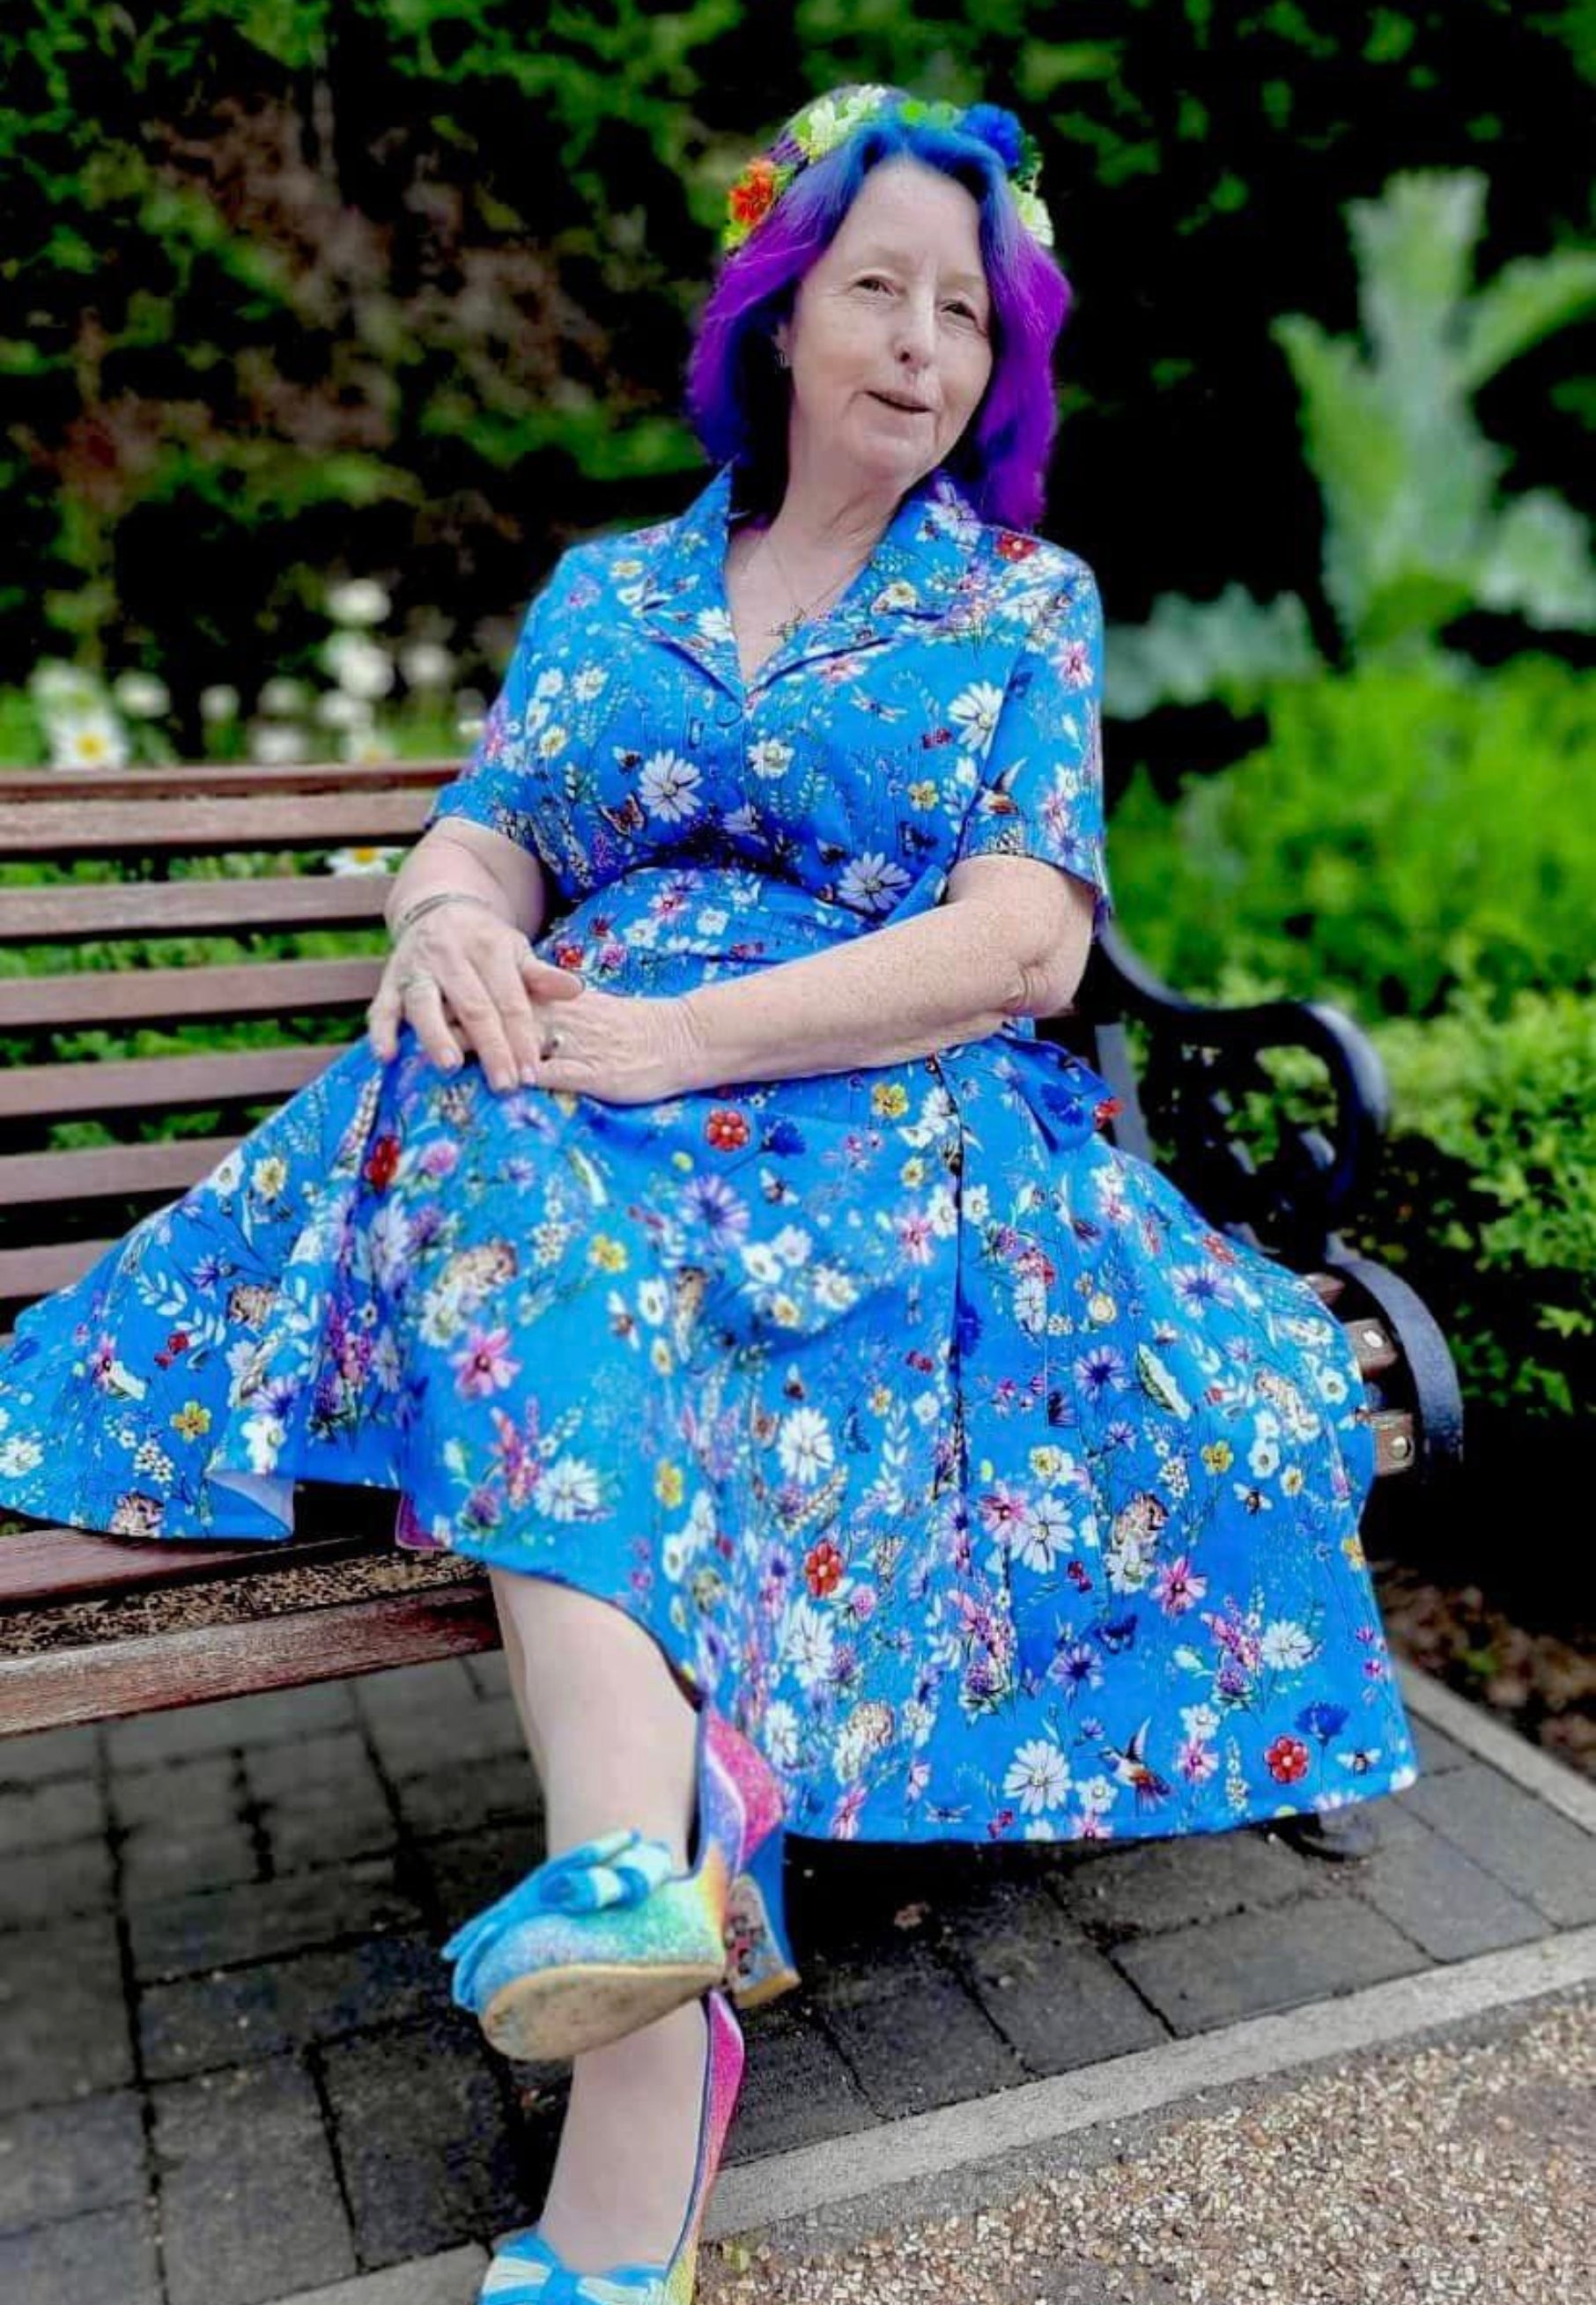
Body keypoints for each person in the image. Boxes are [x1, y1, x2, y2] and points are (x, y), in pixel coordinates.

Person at [0, 85, 1420, 2305]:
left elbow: (1027, 944)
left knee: (544, 1179)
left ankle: (625, 1984)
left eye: (968, 312)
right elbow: (489, 831)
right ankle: (645, 1932)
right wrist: (446, 919)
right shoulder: (614, 590)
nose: (923, 344)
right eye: (877, 289)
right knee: (482, 1107)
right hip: (563, 1115)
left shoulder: (1018, 602)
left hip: (862, 1130)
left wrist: (677, 1039)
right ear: (779, 316)